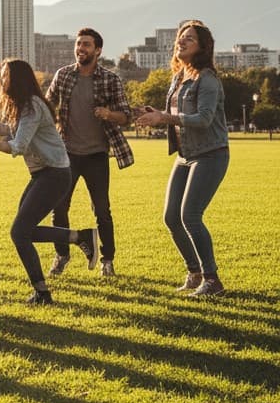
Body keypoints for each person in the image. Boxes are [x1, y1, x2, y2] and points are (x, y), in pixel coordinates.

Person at [0, 59, 99, 305]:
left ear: (18, 79)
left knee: (19, 232)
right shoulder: (24, 106)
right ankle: (80, 238)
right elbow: (17, 131)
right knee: (24, 231)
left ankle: (43, 293)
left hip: (53, 174)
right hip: (44, 174)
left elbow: (19, 145)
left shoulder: (32, 106)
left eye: (5, 75)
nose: (1, 80)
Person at [135, 21, 229, 298]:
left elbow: (204, 119)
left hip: (211, 154)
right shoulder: (178, 78)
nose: (182, 42)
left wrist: (164, 117)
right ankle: (195, 273)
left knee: (190, 215)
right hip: (186, 155)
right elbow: (173, 115)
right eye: (180, 37)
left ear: (201, 46)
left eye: (189, 38)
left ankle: (212, 280)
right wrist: (153, 113)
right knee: (171, 217)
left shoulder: (207, 79)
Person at [45, 28, 133, 278]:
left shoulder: (110, 79)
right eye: (78, 44)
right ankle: (62, 255)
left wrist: (109, 114)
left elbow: (126, 116)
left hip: (96, 155)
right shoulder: (63, 75)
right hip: (66, 154)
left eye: (86, 45)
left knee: (102, 209)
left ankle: (107, 260)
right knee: (59, 207)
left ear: (98, 50)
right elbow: (47, 105)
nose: (80, 48)